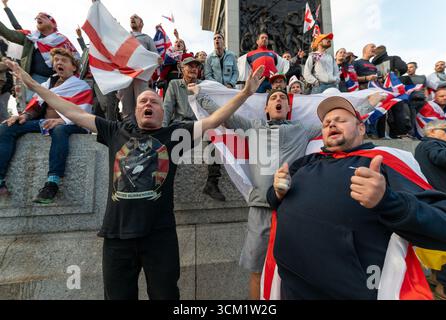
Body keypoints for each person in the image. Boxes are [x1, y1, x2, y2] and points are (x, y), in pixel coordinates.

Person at [8, 57, 266, 300]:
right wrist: (31, 83)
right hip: (116, 238)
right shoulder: (115, 131)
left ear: (162, 112)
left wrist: (245, 93)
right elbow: (73, 112)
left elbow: (212, 121)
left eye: (153, 102)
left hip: (160, 238)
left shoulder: (175, 136)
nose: (147, 105)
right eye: (142, 101)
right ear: (134, 110)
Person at [267, 96, 446, 300]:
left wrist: (388, 201)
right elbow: (273, 200)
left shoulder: (387, 160)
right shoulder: (303, 163)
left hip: (351, 290)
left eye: (340, 120)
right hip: (293, 287)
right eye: (327, 123)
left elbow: (444, 221)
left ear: (361, 128)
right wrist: (277, 192)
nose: (331, 124)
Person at [193, 86, 322, 300]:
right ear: (267, 108)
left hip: (294, 210)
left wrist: (371, 103)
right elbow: (223, 114)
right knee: (257, 271)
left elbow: (336, 121)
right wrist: (199, 94)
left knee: (296, 271)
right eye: (274, 98)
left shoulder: (303, 128)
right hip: (261, 209)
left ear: (288, 108)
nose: (278, 99)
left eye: (283, 97)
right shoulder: (253, 127)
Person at [0, 49, 92, 202]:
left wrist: (61, 120)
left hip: (71, 124)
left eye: (63, 60)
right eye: (56, 60)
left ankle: (52, 183)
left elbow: (83, 114)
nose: (59, 63)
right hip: (45, 123)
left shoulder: (82, 86)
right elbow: (36, 106)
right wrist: (24, 116)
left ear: (74, 67)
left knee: (59, 129)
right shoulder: (48, 83)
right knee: (7, 127)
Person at [163, 55, 226, 202]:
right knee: (170, 148)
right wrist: (162, 131)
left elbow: (213, 108)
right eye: (190, 66)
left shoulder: (204, 86)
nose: (193, 69)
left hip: (200, 125)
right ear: (181, 68)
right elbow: (167, 108)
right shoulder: (174, 84)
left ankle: (212, 182)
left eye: (196, 66)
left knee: (214, 137)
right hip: (180, 124)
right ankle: (164, 184)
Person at [0, 7, 79, 103]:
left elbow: (75, 61)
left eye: (43, 17)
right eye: (37, 17)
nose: (39, 18)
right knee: (32, 103)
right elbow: (8, 34)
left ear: (53, 24)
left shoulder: (62, 40)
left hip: (59, 81)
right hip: (34, 80)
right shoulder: (30, 37)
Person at [415, 120, 446, 300]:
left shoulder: (428, 145)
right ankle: (445, 288)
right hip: (442, 201)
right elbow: (441, 157)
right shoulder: (429, 144)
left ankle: (437, 280)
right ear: (432, 132)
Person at [75, 26, 120, 122]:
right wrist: (80, 37)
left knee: (106, 104)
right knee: (88, 104)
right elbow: (85, 50)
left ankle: (110, 125)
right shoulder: (90, 49)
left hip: (102, 80)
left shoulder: (109, 47)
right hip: (87, 81)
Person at [119, 14, 158, 120]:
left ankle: (142, 129)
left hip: (141, 76)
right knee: (126, 105)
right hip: (125, 75)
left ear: (141, 23)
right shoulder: (123, 36)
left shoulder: (147, 38)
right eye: (130, 18)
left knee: (142, 103)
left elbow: (155, 56)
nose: (132, 18)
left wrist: (150, 74)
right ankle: (128, 130)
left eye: (135, 17)